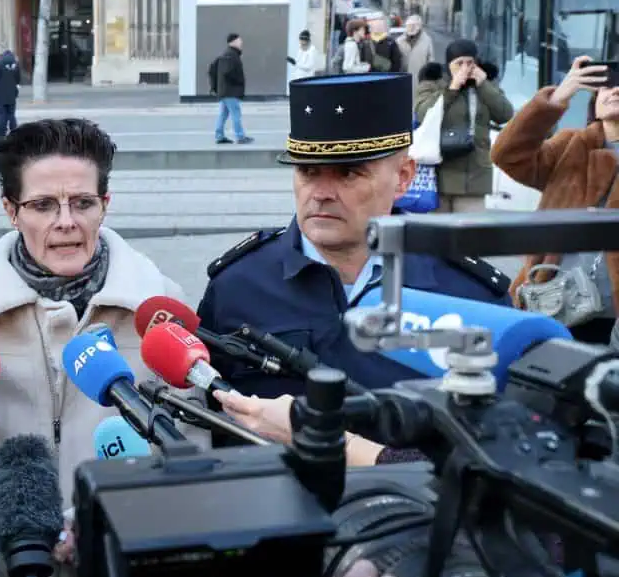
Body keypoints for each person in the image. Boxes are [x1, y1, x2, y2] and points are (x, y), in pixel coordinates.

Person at [0, 118, 209, 577]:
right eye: (43, 205)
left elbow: (190, 447)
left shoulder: (159, 306)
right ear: (11, 210)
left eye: (83, 202)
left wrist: (111, 527)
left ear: (106, 204)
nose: (66, 221)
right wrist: (9, 527)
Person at [197, 72, 512, 459]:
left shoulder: (469, 296)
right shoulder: (237, 288)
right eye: (307, 171)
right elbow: (214, 436)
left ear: (403, 178)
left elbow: (496, 453)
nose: (322, 193)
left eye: (349, 173)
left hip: (417, 514)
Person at [491, 56, 619, 344]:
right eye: (607, 85)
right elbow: (507, 154)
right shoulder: (571, 145)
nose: (615, 90)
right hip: (553, 302)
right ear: (594, 100)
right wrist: (558, 98)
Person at [414, 39, 514, 214]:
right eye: (459, 63)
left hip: (474, 175)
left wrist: (484, 85)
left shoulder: (485, 85)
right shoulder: (432, 83)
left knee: (471, 237)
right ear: (449, 64)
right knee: (437, 236)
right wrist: (452, 88)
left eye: (470, 63)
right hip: (438, 174)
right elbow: (423, 113)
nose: (465, 68)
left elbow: (505, 114)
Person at [210, 33, 253, 144]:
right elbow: (228, 72)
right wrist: (238, 80)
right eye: (239, 41)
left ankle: (219, 136)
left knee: (223, 114)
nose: (241, 43)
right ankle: (240, 137)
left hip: (225, 91)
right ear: (233, 42)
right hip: (230, 91)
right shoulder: (230, 55)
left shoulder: (228, 54)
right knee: (236, 114)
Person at [0, 43, 20, 141]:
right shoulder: (15, 62)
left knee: (1, 116)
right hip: (11, 94)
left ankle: (1, 135)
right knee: (11, 115)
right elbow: (18, 78)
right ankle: (15, 134)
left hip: (0, 94)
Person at [396, 14, 436, 91]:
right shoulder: (399, 41)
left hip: (421, 79)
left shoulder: (427, 40)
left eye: (413, 25)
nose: (410, 28)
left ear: (419, 27)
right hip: (403, 79)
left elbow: (431, 60)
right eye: (408, 25)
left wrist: (430, 79)